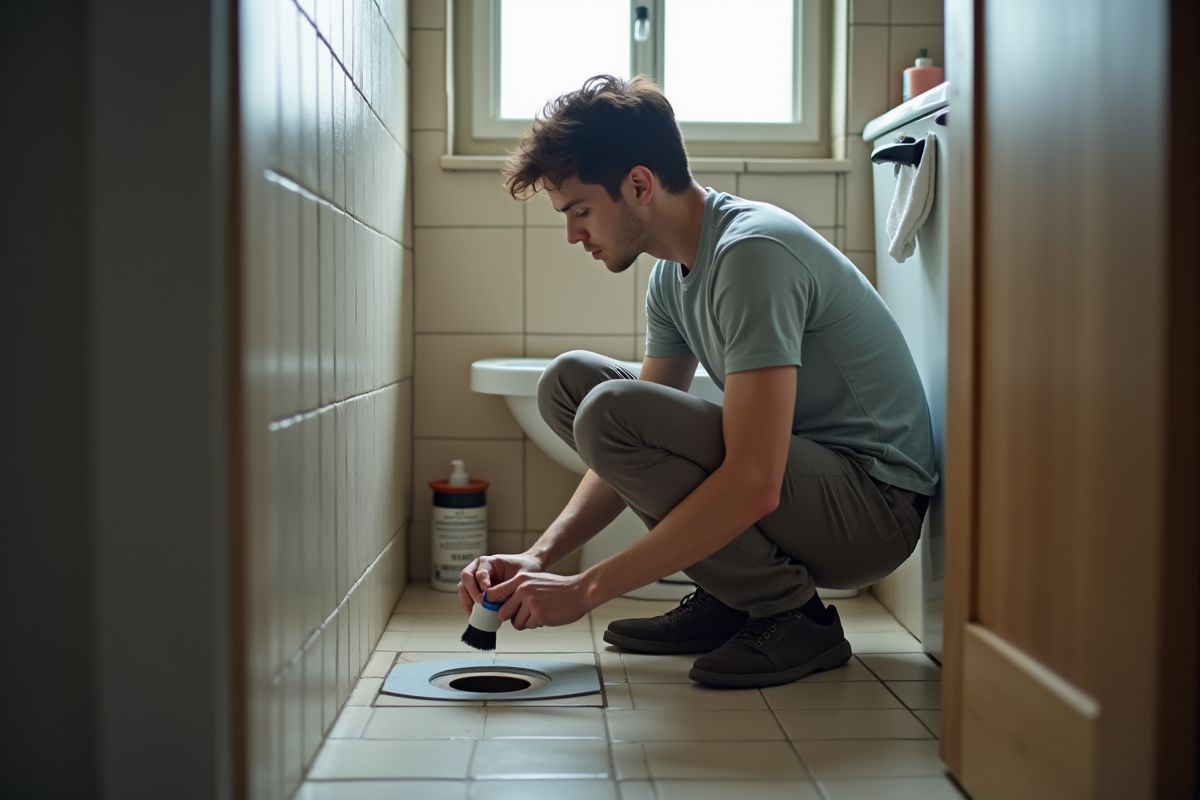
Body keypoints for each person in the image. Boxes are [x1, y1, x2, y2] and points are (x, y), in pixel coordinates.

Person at [457, 75, 938, 688]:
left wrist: (587, 588)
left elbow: (755, 482)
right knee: (570, 385)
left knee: (608, 407)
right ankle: (733, 591)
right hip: (816, 486)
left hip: (874, 508)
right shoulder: (671, 277)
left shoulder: (751, 253)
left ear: (638, 184)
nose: (573, 233)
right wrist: (538, 556)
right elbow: (624, 451)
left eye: (580, 210)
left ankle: (794, 617)